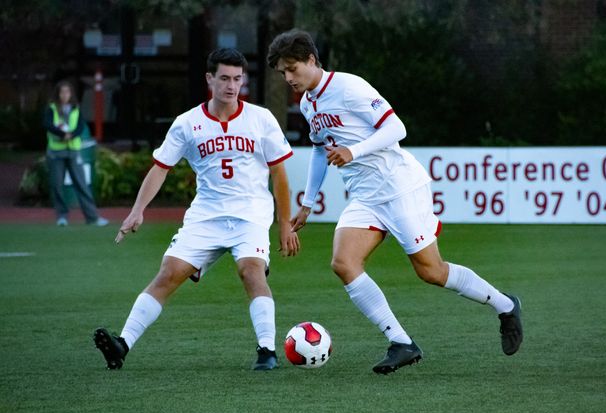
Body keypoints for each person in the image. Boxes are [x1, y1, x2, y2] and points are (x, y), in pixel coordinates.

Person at [267, 29, 523, 374]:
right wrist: (308, 202)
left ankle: (507, 306)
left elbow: (396, 129)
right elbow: (318, 149)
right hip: (365, 196)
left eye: (292, 69)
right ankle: (401, 342)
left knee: (431, 271)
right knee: (343, 263)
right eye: (283, 72)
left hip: (400, 188)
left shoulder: (349, 86)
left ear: (312, 60)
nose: (288, 78)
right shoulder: (309, 103)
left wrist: (352, 150)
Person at [93, 48, 299, 371]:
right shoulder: (187, 123)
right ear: (210, 79)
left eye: (237, 79)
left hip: (251, 215)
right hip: (205, 215)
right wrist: (137, 210)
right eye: (225, 78)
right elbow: (161, 167)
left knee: (251, 271)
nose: (232, 86)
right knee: (168, 274)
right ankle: (122, 344)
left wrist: (284, 224)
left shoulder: (261, 119)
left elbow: (280, 174)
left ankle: (266, 350)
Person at [43, 80, 108, 227]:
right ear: (58, 94)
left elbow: (80, 126)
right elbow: (47, 124)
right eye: (62, 92)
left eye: (67, 92)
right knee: (57, 185)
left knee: (82, 184)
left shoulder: (75, 108)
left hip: (73, 152)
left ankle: (92, 217)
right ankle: (62, 217)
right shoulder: (51, 108)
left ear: (71, 94)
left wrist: (71, 135)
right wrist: (61, 134)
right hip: (56, 153)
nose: (65, 95)